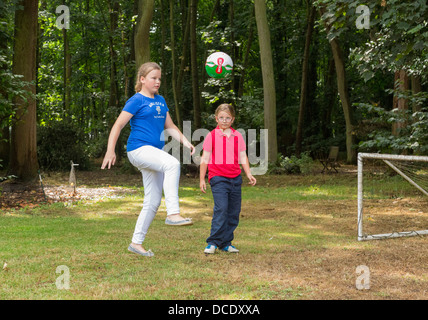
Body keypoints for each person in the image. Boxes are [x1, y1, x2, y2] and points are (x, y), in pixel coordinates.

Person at [101, 62, 195, 257]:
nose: (157, 81)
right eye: (153, 78)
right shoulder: (136, 100)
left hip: (154, 153)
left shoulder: (160, 101)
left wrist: (186, 142)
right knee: (172, 163)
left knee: (152, 202)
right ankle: (173, 213)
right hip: (139, 149)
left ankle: (136, 243)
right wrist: (110, 150)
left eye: (159, 78)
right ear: (142, 79)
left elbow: (170, 126)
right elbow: (118, 125)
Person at [199, 104, 256, 254]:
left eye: (228, 118)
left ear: (233, 119)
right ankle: (212, 242)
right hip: (218, 178)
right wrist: (202, 179)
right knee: (222, 208)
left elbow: (243, 156)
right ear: (216, 118)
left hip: (235, 178)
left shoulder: (237, 136)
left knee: (233, 212)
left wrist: (248, 173)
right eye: (221, 118)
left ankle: (226, 242)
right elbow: (205, 158)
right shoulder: (211, 136)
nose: (224, 121)